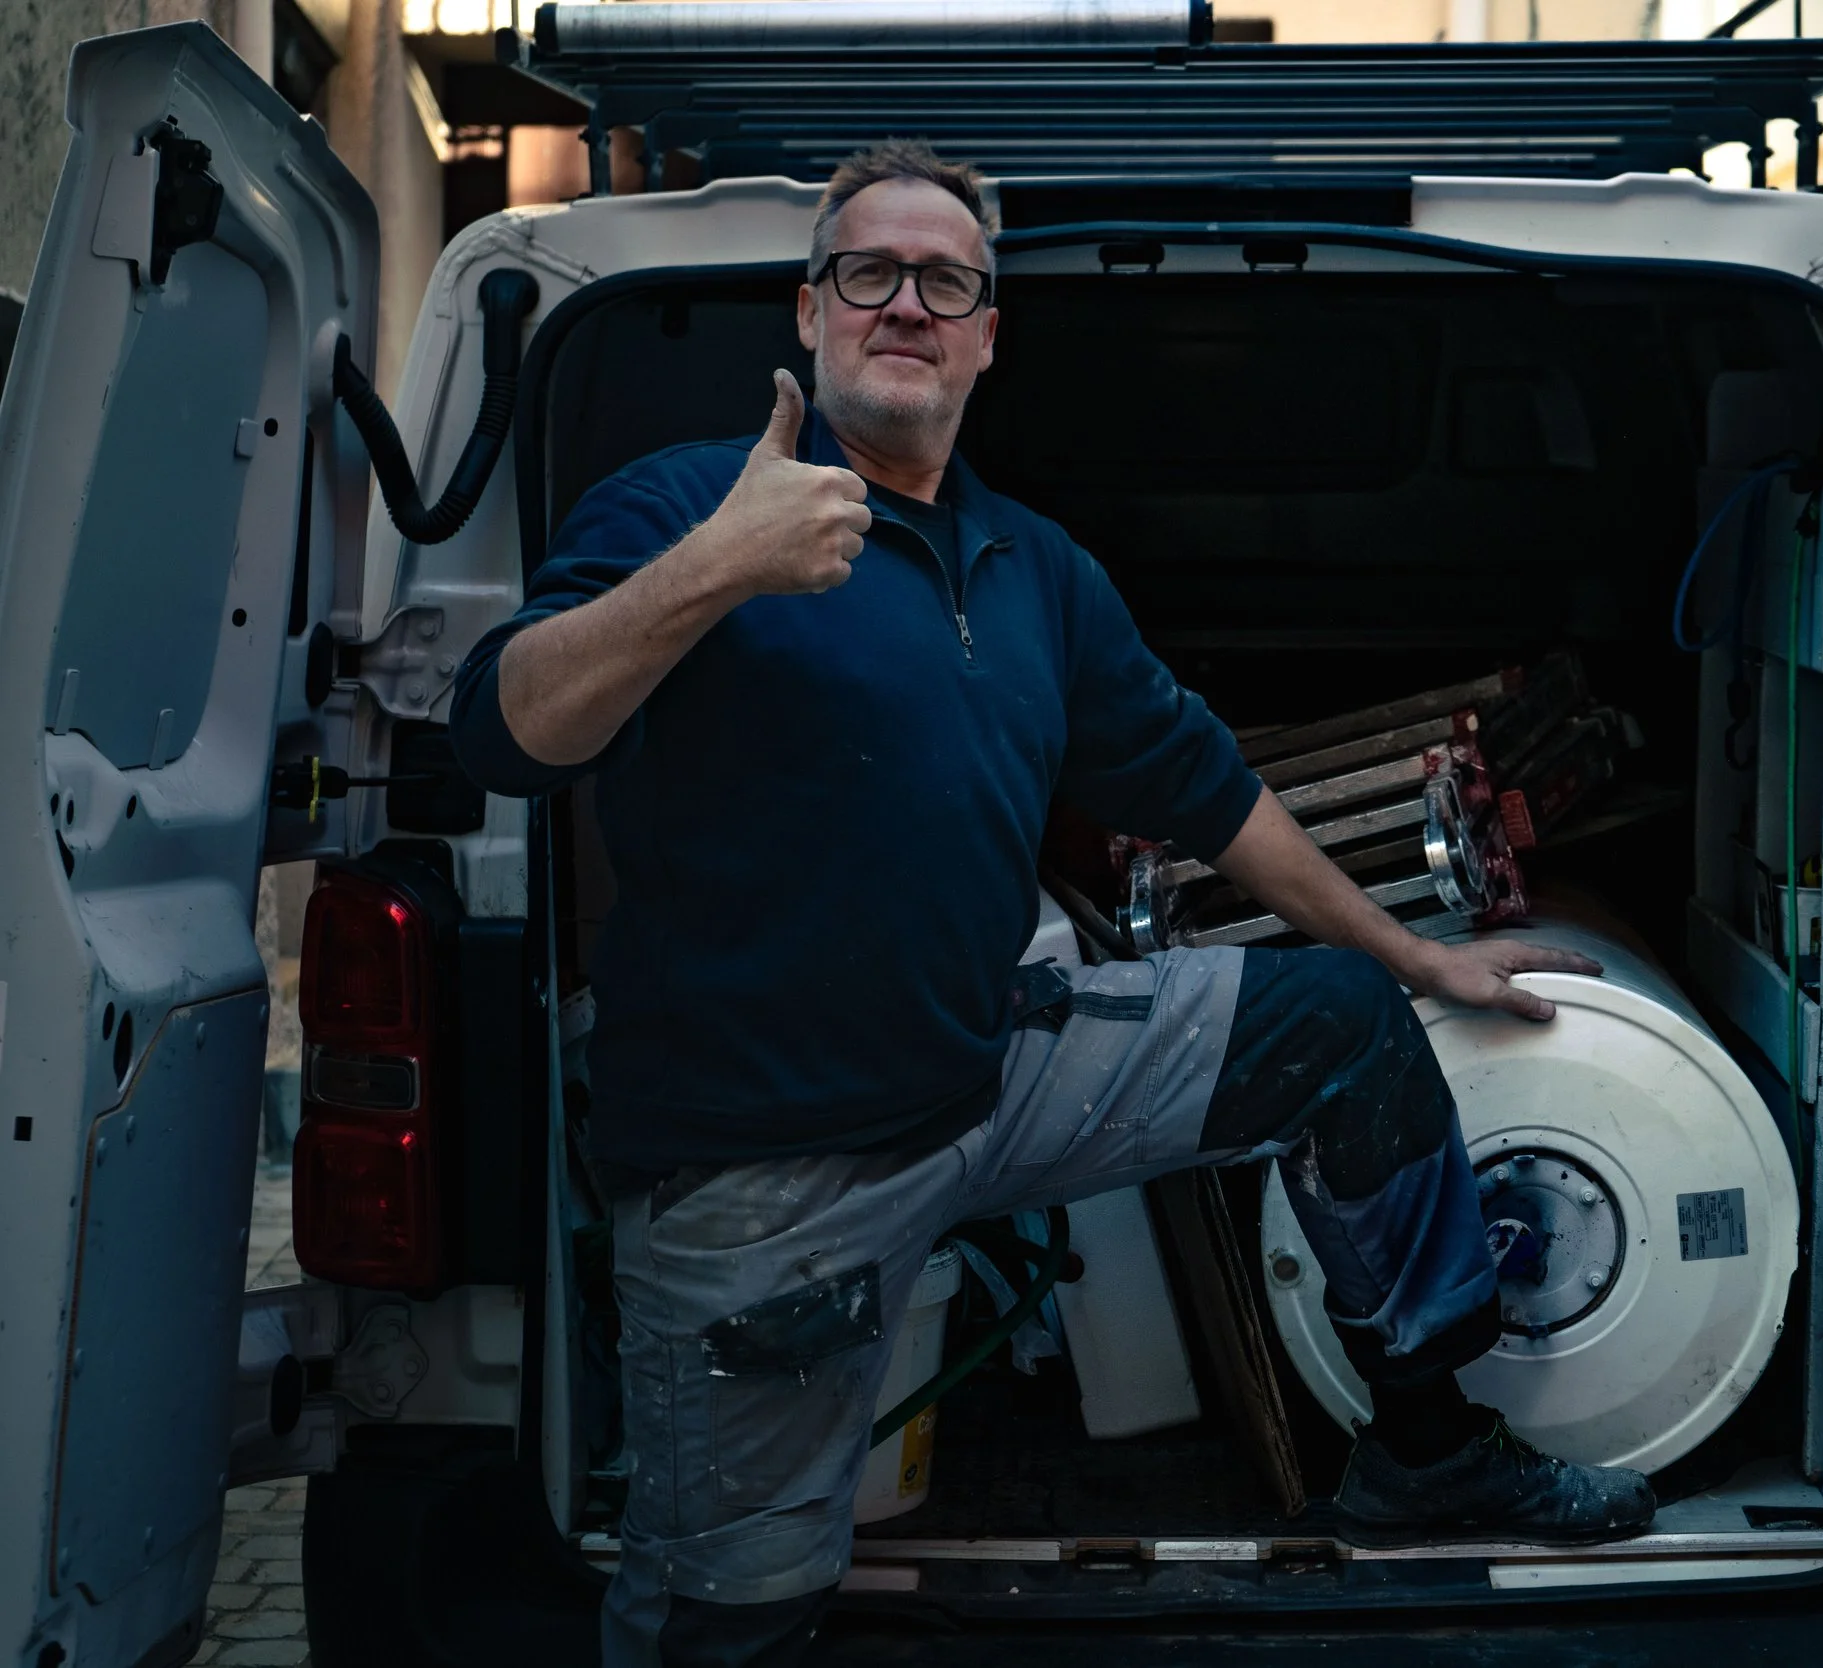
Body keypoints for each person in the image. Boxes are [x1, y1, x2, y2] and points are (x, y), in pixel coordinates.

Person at [449, 139, 1654, 1668]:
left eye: (944, 280)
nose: (907, 304)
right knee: (722, 1619)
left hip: (996, 1075)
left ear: (988, 330)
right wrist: (714, 572)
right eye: (869, 273)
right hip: (764, 1169)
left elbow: (1211, 795)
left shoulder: (1034, 570)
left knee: (1337, 1026)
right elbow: (503, 730)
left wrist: (1423, 953)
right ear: (810, 314)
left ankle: (1420, 1450)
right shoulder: (686, 505)